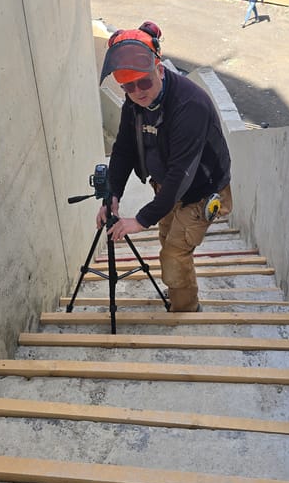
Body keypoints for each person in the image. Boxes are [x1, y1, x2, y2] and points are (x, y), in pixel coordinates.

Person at [97, 23, 232, 313]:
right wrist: (113, 195)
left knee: (173, 254)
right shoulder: (134, 104)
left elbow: (181, 173)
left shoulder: (189, 105)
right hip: (168, 188)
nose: (137, 92)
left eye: (143, 82)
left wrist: (142, 219)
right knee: (165, 238)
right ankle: (179, 294)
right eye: (128, 86)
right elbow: (123, 150)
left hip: (199, 190)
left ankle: (185, 313)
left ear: (159, 70)